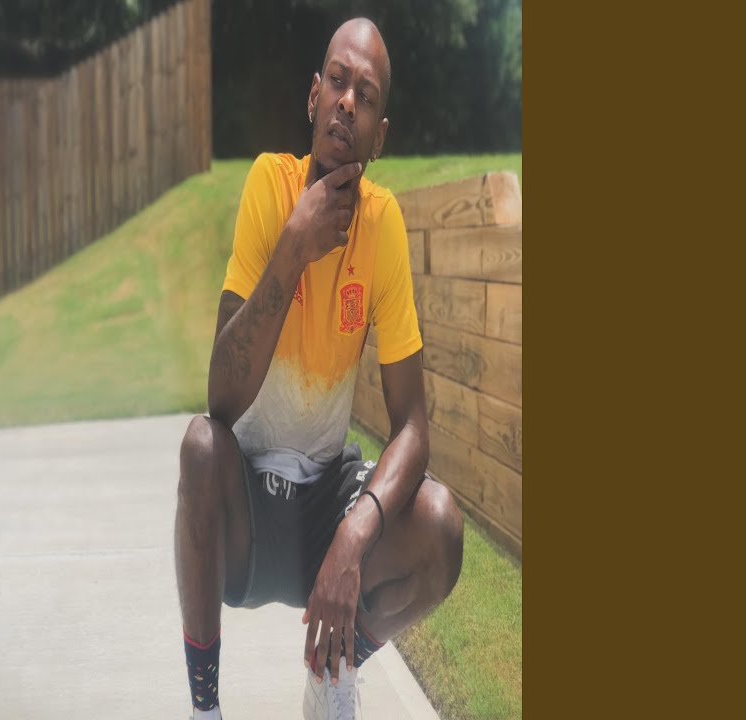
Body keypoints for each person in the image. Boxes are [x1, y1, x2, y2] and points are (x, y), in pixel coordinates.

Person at [174, 17, 466, 720]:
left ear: (378, 135)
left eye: (366, 95)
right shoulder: (268, 186)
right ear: (313, 96)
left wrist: (355, 533)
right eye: (337, 82)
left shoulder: (383, 226)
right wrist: (292, 249)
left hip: (324, 511)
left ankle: (331, 668)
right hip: (247, 509)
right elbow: (220, 399)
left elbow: (413, 429)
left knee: (441, 524)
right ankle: (205, 709)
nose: (347, 102)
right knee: (200, 446)